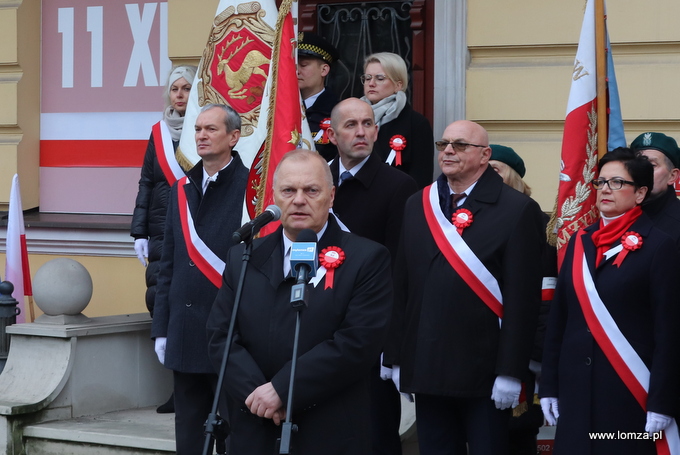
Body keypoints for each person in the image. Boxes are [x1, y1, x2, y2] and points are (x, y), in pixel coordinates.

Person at [206, 149, 393, 454]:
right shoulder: (244, 256)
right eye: (289, 190)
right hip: (254, 423)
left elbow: (357, 343)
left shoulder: (367, 259)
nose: (299, 200)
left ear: (331, 197)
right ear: (275, 197)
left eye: (311, 190)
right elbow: (220, 336)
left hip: (328, 428)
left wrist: (282, 390)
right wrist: (258, 395)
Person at [384, 120, 545, 455]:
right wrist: (396, 356)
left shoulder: (517, 209)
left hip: (484, 371)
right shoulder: (418, 204)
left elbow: (522, 300)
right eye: (444, 144)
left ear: (485, 155)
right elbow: (402, 285)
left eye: (460, 144)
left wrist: (511, 372)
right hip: (427, 364)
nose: (449, 151)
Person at [540, 148, 680, 455]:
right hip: (576, 393)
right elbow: (560, 319)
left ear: (640, 192)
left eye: (617, 182)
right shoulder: (579, 241)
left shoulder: (659, 246)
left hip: (629, 392)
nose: (605, 189)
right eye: (601, 181)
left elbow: (668, 332)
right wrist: (548, 384)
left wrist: (661, 401)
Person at [151, 104, 248, 455]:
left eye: (211, 129)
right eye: (198, 129)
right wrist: (162, 327)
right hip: (185, 331)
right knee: (190, 436)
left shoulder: (250, 188)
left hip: (231, 333)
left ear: (234, 137)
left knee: (236, 433)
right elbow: (168, 266)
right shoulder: (181, 188)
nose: (202, 136)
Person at [327, 97, 418, 455]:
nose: (361, 132)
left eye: (367, 124)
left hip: (371, 329)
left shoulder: (399, 186)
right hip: (320, 323)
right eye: (350, 125)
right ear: (333, 135)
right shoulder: (315, 180)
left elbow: (401, 267)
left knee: (374, 432)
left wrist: (391, 343)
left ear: (378, 131)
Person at [131, 65, 196, 414]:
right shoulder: (157, 133)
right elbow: (146, 182)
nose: (181, 95)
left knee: (191, 306)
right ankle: (176, 387)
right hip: (160, 232)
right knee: (161, 303)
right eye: (175, 89)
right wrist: (139, 230)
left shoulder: (206, 129)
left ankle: (194, 385)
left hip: (193, 231)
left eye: (187, 88)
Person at [489, 144, 557, 455]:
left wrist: (529, 356)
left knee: (518, 435)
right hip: (480, 353)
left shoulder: (542, 228)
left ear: (515, 178)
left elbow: (546, 296)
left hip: (525, 355)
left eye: (495, 171)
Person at [360, 52, 434, 188]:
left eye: (380, 78)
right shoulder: (352, 116)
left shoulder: (416, 123)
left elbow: (421, 177)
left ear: (398, 85)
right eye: (367, 78)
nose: (371, 83)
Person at [630, 132, 680, 249]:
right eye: (638, 164)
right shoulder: (617, 213)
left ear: (672, 176)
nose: (643, 171)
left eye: (652, 165)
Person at [298, 32, 340, 161]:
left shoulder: (336, 111)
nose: (297, 71)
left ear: (324, 70)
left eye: (304, 65)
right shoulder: (280, 108)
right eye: (294, 65)